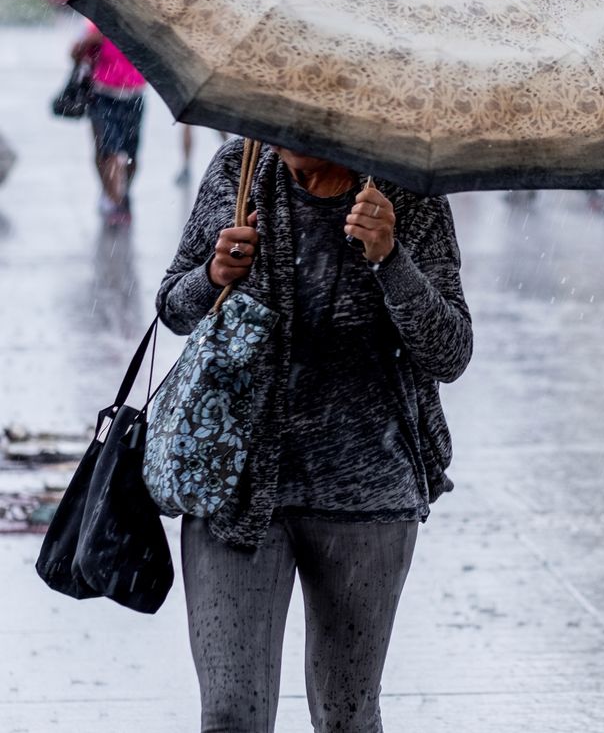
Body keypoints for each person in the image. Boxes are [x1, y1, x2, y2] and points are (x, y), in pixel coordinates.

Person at [156, 139, 473, 731]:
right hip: (236, 484)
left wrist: (390, 257)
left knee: (346, 715)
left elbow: (450, 352)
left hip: (366, 496)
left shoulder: (407, 192)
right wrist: (214, 273)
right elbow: (174, 306)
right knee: (229, 714)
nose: (287, 130)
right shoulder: (238, 170)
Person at [71, 24, 147, 225]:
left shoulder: (140, 25)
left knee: (131, 155)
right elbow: (76, 54)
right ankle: (116, 201)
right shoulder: (98, 23)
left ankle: (123, 193)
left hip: (134, 96)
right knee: (110, 150)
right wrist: (87, 43)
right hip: (103, 96)